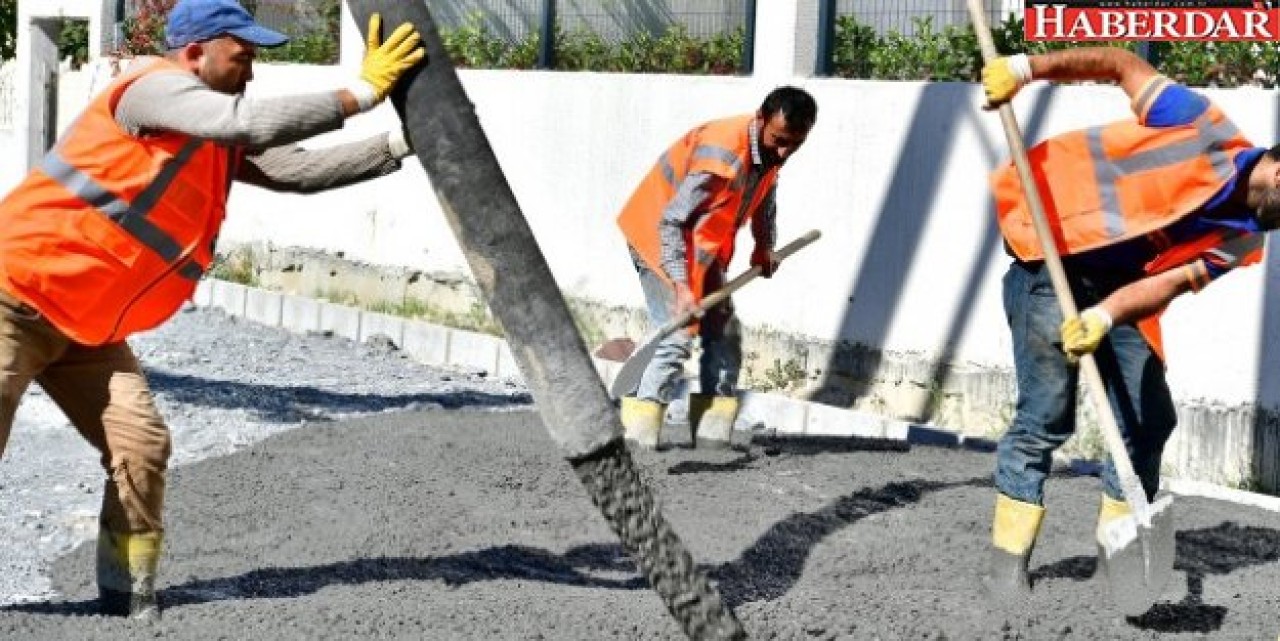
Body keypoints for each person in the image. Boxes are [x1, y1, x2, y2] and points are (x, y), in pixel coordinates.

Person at [0, 0, 425, 619]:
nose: (252, 71)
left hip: (86, 327)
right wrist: (361, 91)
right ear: (195, 52)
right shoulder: (152, 89)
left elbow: (296, 171)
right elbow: (243, 123)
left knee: (141, 445)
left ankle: (126, 602)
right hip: (15, 296)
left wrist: (403, 141)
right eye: (243, 56)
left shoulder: (211, 134)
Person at [977, 46, 1279, 600]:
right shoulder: (1200, 123)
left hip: (1118, 295)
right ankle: (1006, 572)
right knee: (1046, 417)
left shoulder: (1243, 238)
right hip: (1051, 252)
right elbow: (1121, 63)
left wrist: (1103, 315)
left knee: (1147, 420)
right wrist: (1025, 69)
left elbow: (1164, 284)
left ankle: (1118, 562)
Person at [615, 87, 817, 450]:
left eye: (795, 143)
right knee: (677, 334)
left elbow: (764, 198)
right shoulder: (721, 153)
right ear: (760, 119)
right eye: (779, 140)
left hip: (700, 252)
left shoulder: (770, 154)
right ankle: (638, 441)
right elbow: (672, 222)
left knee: (723, 336)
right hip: (657, 238)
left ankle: (712, 439)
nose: (785, 151)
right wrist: (681, 286)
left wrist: (764, 247)